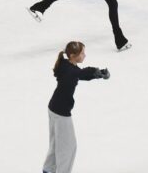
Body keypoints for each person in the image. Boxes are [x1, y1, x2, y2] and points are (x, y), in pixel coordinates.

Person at [42, 41, 109, 173]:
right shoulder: (70, 71)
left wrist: (98, 73)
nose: (85, 55)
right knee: (68, 148)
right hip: (61, 112)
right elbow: (80, 73)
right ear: (73, 55)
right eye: (82, 53)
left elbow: (79, 73)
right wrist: (96, 72)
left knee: (56, 143)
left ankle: (48, 170)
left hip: (54, 108)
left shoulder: (66, 64)